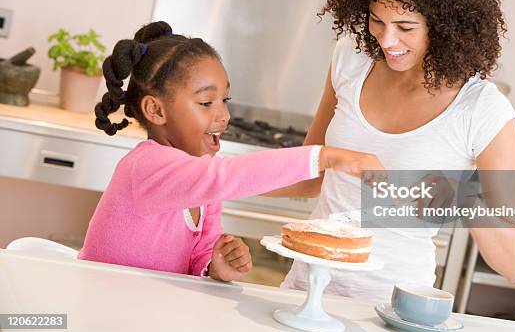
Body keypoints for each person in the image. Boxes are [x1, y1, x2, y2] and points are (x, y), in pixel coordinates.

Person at [274, 0, 515, 301]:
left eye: (405, 27)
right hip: (305, 291)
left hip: (395, 308)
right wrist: (210, 182)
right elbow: (311, 172)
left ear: (446, 25)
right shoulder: (351, 59)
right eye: (377, 20)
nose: (386, 40)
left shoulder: (484, 110)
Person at [78, 21, 385, 282]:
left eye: (224, 100)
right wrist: (325, 156)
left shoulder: (201, 177)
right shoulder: (147, 166)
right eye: (205, 102)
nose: (223, 116)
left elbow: (199, 254)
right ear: (156, 110)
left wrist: (216, 266)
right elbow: (224, 176)